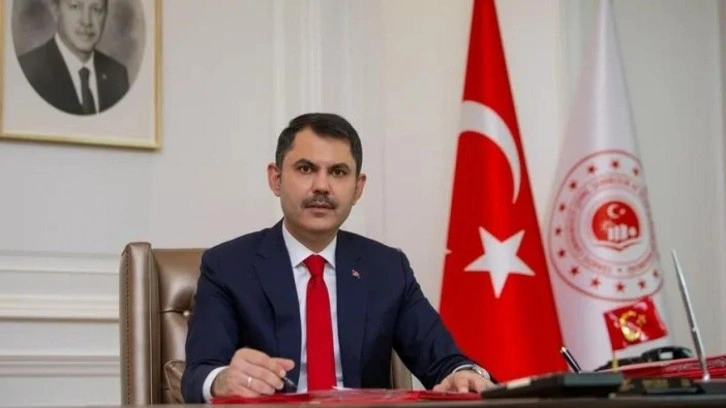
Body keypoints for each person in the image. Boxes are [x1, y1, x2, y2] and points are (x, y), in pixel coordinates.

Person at [181, 113, 496, 403]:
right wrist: (222, 380)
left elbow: (443, 360)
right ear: (276, 179)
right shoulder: (227, 266)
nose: (322, 186)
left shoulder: (387, 268)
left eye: (338, 172)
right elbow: (198, 375)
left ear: (358, 188)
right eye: (306, 169)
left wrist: (465, 374)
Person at [18, 0, 129, 115]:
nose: (86, 21)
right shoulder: (28, 72)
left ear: (106, 14)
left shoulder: (117, 75)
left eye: (97, 9)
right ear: (56, 11)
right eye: (75, 7)